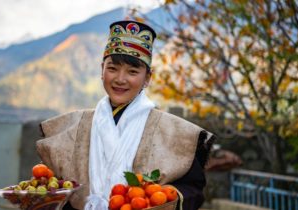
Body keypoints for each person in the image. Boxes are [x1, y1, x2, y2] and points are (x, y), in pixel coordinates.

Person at [36, 20, 215, 210]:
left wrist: (160, 199)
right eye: (112, 68)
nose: (120, 79)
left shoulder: (173, 131)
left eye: (132, 71)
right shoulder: (74, 126)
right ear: (102, 70)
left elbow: (192, 189)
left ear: (147, 78)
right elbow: (55, 184)